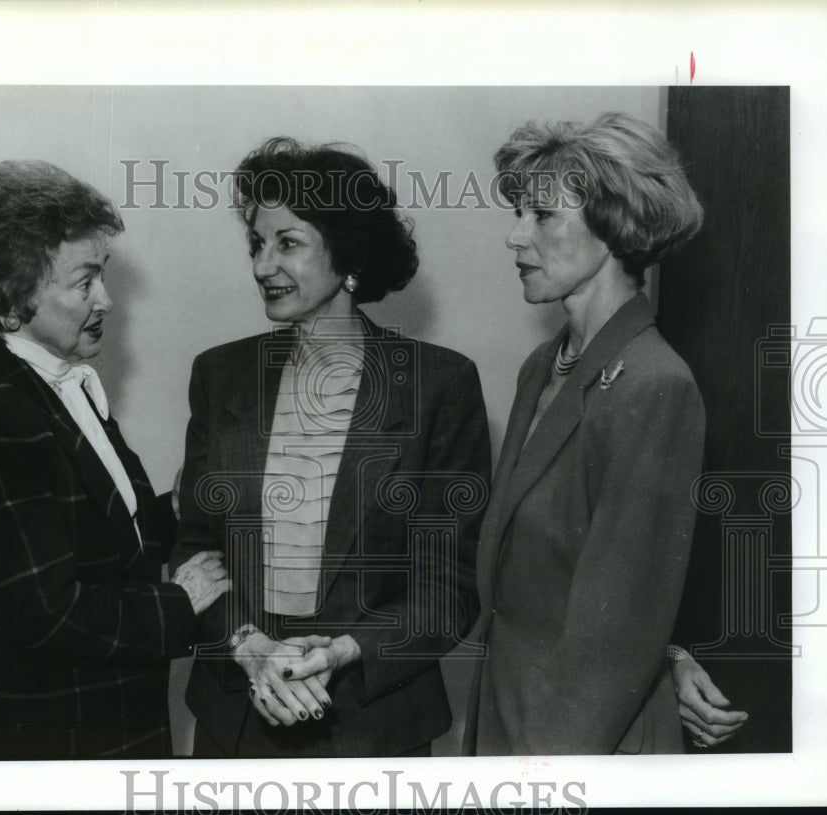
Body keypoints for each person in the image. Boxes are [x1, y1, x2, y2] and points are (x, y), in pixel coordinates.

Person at [173, 137, 491, 757]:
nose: (263, 265)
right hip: (239, 712)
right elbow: (194, 546)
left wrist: (345, 651)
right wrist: (250, 648)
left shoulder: (438, 385)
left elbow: (448, 584)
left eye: (287, 243)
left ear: (347, 258)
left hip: (374, 722)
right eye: (257, 245)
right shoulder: (220, 375)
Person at [0, 160, 229, 759]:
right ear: (9, 299)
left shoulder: (54, 386)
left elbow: (96, 543)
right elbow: (47, 612)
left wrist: (178, 507)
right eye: (84, 281)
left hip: (101, 726)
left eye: (104, 275)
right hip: (48, 747)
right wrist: (180, 602)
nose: (107, 300)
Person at [465, 112, 746, 755]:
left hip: (578, 747)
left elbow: (612, 637)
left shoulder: (655, 385)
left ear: (614, 224)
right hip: (511, 714)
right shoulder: (543, 367)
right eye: (518, 213)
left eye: (541, 216)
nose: (515, 237)